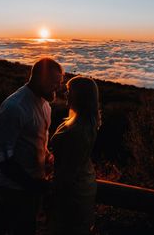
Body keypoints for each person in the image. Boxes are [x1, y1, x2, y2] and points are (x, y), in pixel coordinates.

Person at [0, 57, 64, 234]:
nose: (58, 87)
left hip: (32, 187)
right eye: (54, 82)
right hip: (13, 190)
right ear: (40, 80)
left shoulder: (45, 104)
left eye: (60, 82)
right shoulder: (15, 107)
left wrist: (47, 157)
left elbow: (36, 140)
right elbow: (1, 158)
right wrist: (34, 185)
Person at [49, 76, 101, 235]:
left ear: (80, 96)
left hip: (73, 193)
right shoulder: (82, 122)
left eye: (70, 91)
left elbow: (68, 171)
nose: (66, 94)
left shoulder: (77, 130)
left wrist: (53, 192)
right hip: (83, 184)